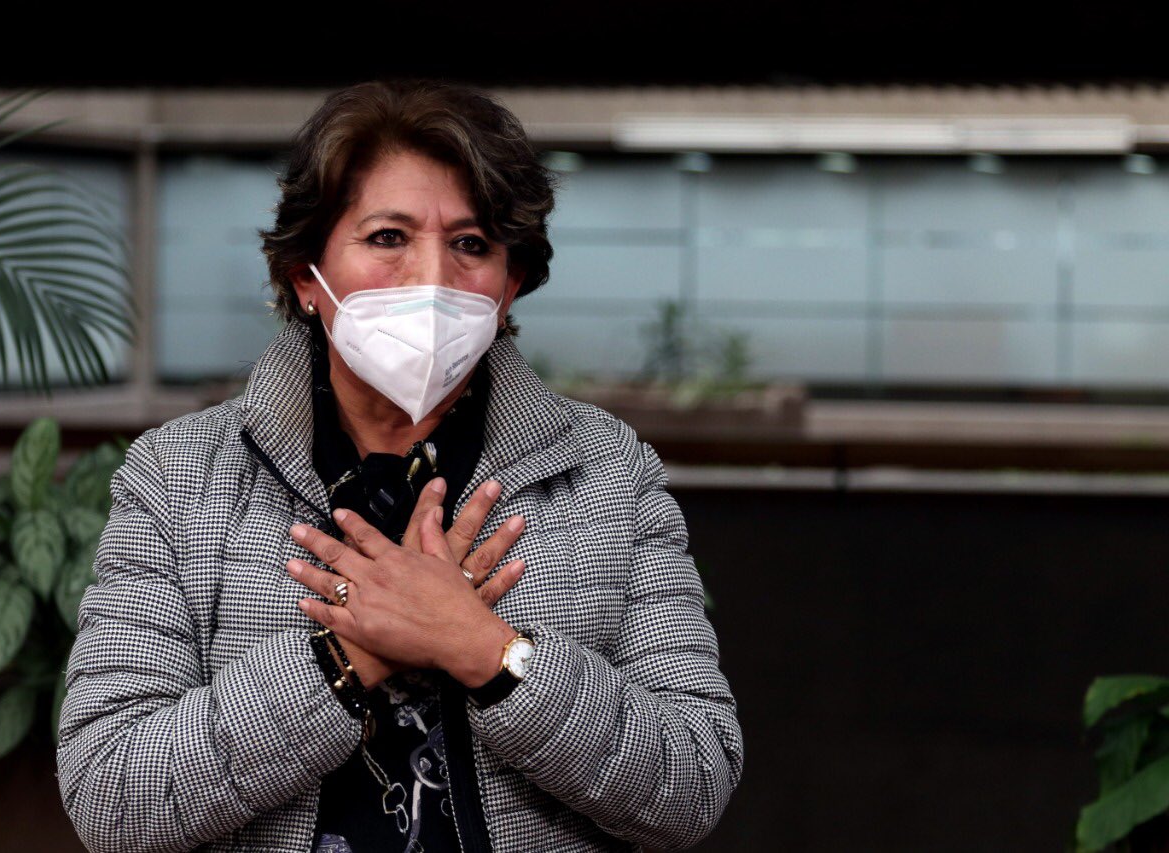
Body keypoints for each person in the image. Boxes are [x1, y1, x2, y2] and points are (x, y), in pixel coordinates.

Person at [56, 79, 743, 853]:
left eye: (471, 243)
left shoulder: (608, 472)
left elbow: (693, 779)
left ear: (510, 284)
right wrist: (350, 652)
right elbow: (112, 797)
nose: (432, 278)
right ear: (304, 274)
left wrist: (486, 649)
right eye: (388, 236)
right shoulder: (179, 476)